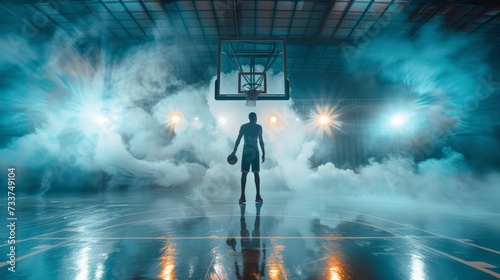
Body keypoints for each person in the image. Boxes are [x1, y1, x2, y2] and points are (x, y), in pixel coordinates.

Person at [230, 112, 265, 204]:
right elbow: (261, 141)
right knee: (256, 174)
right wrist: (263, 152)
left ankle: (242, 196)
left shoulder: (243, 127)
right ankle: (258, 195)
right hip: (255, 152)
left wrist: (234, 151)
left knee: (244, 174)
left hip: (246, 152)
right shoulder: (258, 127)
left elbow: (238, 139)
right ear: (255, 118)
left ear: (249, 118)